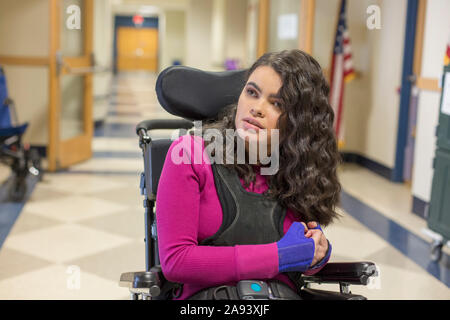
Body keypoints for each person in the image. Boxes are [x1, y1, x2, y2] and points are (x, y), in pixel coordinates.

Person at [156, 49, 342, 300]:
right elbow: (176, 262)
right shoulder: (190, 155)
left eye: (277, 104)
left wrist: (316, 253)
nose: (256, 109)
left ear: (300, 120)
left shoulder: (299, 169)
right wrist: (278, 257)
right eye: (252, 93)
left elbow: (301, 254)